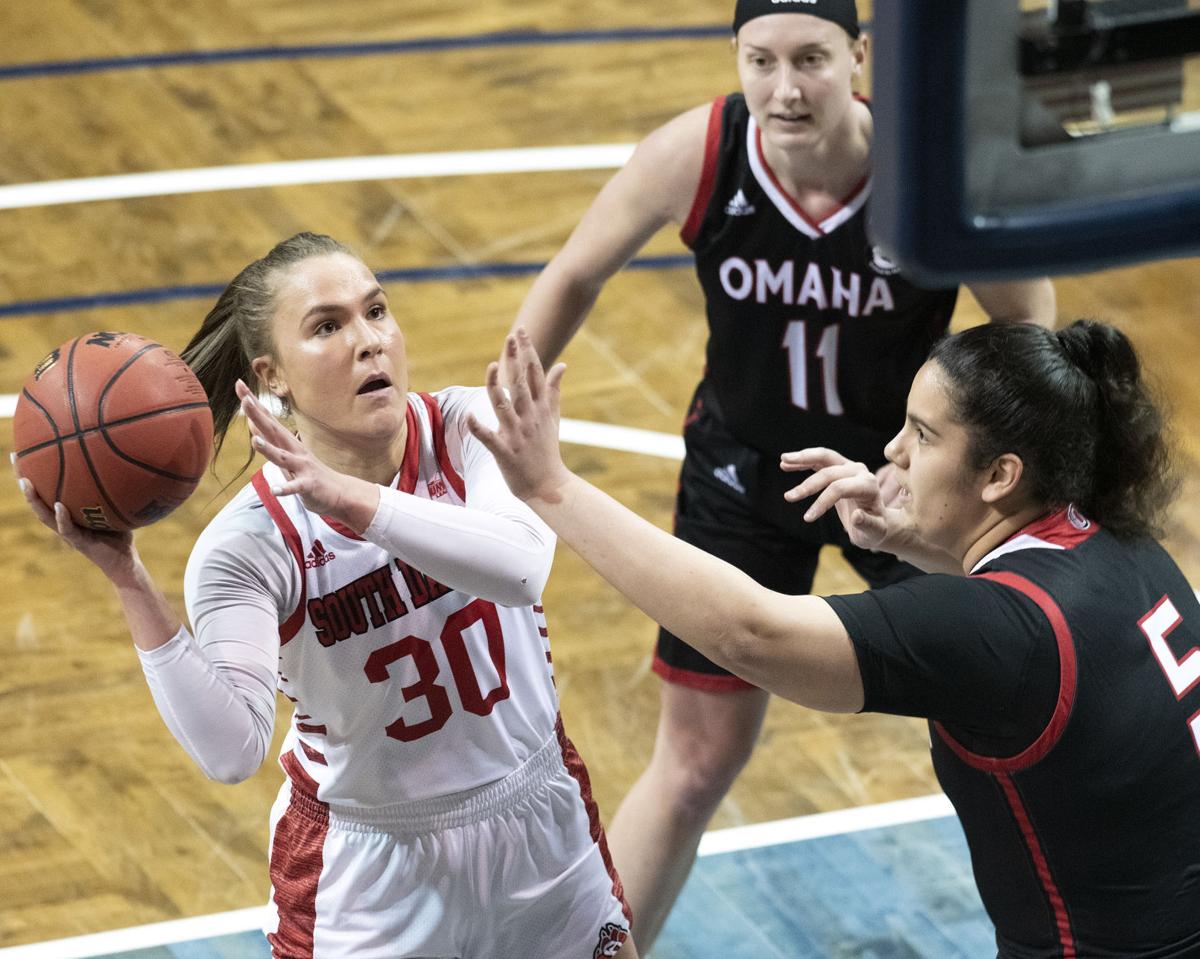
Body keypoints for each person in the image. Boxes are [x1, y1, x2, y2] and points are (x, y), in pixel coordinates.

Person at [509, 0, 1057, 945]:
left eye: (811, 58)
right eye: (760, 60)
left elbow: (1029, 327)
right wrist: (502, 404)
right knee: (692, 762)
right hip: (741, 476)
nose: (786, 87)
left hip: (898, 486)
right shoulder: (702, 152)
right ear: (736, 58)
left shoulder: (922, 165)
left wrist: (963, 467)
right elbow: (572, 274)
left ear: (862, 57)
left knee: (1021, 713)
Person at [471, 322, 1200, 958]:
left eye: (923, 434)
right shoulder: (1126, 546)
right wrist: (916, 541)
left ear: (1000, 475)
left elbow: (750, 631)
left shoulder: (1002, 635)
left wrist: (548, 486)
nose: (893, 450)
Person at [14, 233, 637, 959]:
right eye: (328, 326)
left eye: (376, 311)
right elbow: (230, 750)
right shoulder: (248, 542)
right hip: (369, 871)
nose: (368, 341)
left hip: (538, 816)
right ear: (271, 376)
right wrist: (128, 577)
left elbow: (521, 566)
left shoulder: (474, 428)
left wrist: (350, 496)